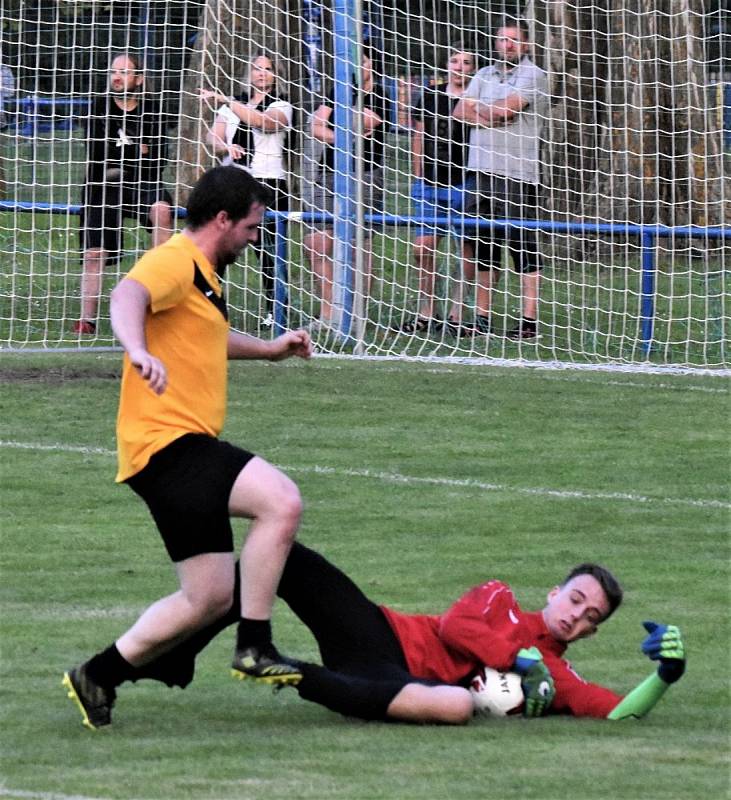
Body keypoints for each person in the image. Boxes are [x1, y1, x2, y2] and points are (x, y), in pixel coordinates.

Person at [62, 165, 314, 731]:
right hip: (169, 445)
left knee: (208, 598)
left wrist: (271, 351)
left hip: (167, 453)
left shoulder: (203, 274)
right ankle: (255, 646)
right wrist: (135, 350)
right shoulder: (175, 258)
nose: (255, 237)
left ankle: (97, 675)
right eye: (251, 226)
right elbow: (128, 296)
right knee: (282, 500)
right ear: (222, 220)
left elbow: (206, 337)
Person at [125, 542, 685, 725]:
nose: (578, 616)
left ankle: (290, 671)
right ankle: (183, 652)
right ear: (554, 594)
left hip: (395, 685)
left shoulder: (556, 674)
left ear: (591, 633)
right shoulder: (501, 598)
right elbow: (455, 627)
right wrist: (518, 660)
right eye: (576, 599)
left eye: (592, 618)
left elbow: (615, 712)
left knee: (454, 710)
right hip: (377, 634)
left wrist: (664, 675)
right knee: (284, 555)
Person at [452, 20, 549, 340]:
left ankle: (528, 322)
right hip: (480, 173)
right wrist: (488, 111)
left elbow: (508, 110)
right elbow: (459, 113)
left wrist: (483, 110)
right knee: (483, 247)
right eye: (501, 40)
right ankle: (482, 318)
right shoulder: (482, 75)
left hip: (518, 175)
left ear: (525, 45)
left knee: (522, 248)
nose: (506, 45)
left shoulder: (533, 75)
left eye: (513, 40)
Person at [73, 53, 174, 335]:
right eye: (114, 72)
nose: (117, 77)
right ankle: (86, 320)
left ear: (139, 79)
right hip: (102, 184)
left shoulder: (152, 111)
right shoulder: (98, 108)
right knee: (95, 252)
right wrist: (135, 151)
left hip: (143, 182)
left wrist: (122, 156)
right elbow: (96, 154)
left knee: (162, 210)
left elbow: (158, 159)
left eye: (125, 72)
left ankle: (157, 301)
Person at [200, 52, 293, 330]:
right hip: (233, 182)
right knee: (219, 249)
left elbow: (264, 122)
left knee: (269, 252)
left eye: (268, 69)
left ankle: (276, 312)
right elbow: (212, 137)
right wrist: (225, 146)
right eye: (257, 69)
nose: (262, 73)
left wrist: (226, 100)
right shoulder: (232, 106)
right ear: (249, 74)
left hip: (268, 183)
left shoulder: (281, 105)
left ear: (276, 75)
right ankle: (214, 309)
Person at [303, 51, 392, 330]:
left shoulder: (380, 94)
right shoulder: (339, 89)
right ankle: (329, 314)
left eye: (364, 60)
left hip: (364, 174)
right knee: (315, 243)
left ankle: (356, 314)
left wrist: (335, 126)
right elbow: (315, 126)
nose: (358, 66)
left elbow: (366, 124)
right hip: (329, 172)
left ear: (373, 64)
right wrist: (342, 133)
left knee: (357, 246)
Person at [404, 44, 479, 337]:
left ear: (473, 68)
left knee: (467, 251)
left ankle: (457, 313)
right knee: (422, 249)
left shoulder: (476, 97)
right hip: (430, 185)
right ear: (447, 65)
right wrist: (418, 173)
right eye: (455, 61)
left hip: (465, 183)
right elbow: (419, 134)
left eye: (466, 62)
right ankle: (426, 311)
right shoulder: (431, 95)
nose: (460, 67)